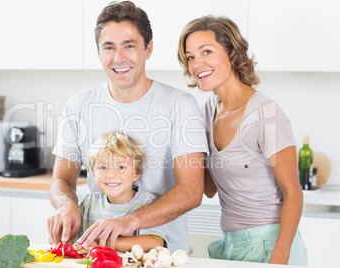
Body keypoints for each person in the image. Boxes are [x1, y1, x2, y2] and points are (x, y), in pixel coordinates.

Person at [47, 1, 208, 253]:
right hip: (99, 256)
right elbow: (61, 179)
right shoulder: (78, 106)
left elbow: (191, 191)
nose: (119, 58)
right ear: (99, 52)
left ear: (148, 48)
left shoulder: (180, 105)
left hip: (162, 257)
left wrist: (129, 221)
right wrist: (65, 205)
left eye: (129, 46)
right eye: (109, 47)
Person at [177, 15, 308, 265]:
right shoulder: (206, 111)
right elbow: (209, 189)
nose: (196, 64)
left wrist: (280, 255)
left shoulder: (265, 113)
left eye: (207, 51)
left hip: (272, 244)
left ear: (232, 53)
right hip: (231, 245)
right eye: (190, 56)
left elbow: (293, 193)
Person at [73, 131, 165, 254]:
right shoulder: (88, 204)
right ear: (94, 173)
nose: (111, 174)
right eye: (103, 167)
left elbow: (155, 242)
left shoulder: (147, 203)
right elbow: (76, 244)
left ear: (136, 174)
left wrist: (104, 243)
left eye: (121, 167)